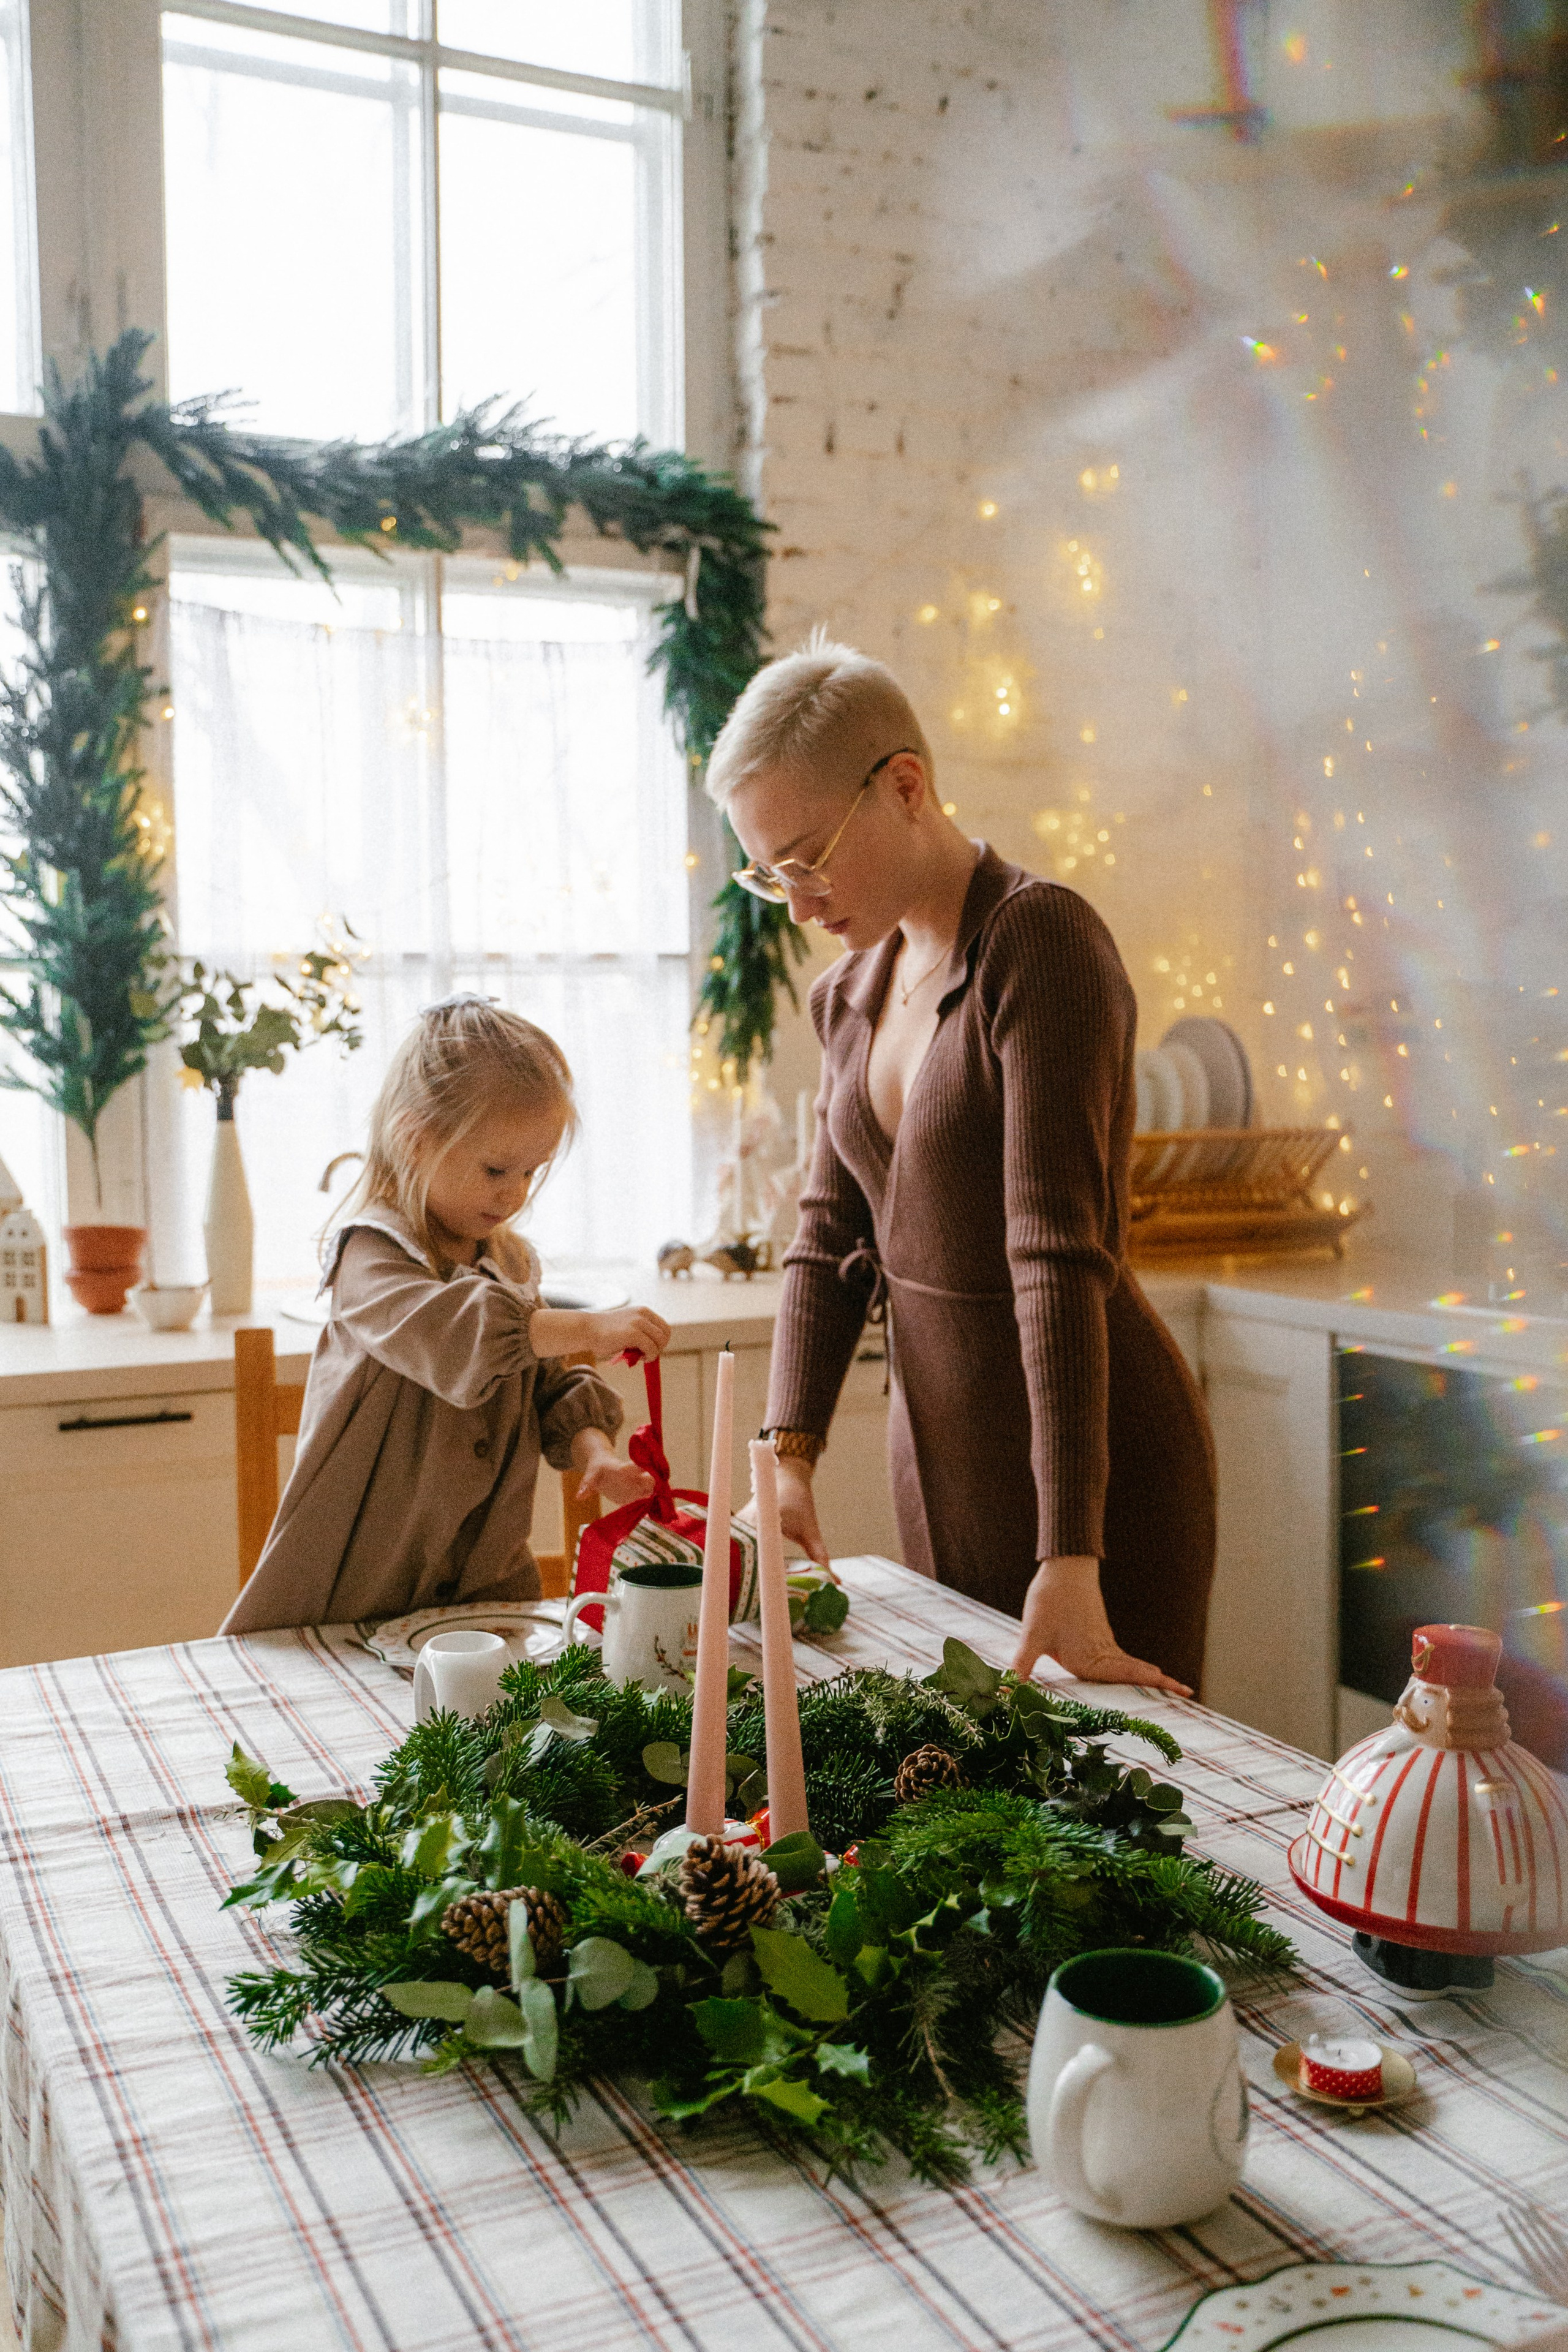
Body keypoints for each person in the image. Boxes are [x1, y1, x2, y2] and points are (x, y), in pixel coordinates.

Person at [709, 639, 1215, 1694]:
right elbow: (827, 1241)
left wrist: (1071, 1554)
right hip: (938, 1469)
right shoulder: (847, 996)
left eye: (808, 858)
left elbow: (1055, 1257)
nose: (798, 905)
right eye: (769, 875)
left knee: (1138, 1817)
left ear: (906, 786)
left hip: (1099, 1492)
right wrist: (786, 1456)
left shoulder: (1042, 945)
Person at [222, 998, 669, 1635]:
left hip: (484, 1592)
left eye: (530, 1172)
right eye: (495, 1169)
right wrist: (592, 1327)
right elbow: (456, 1334)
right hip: (354, 1597)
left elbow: (549, 1385)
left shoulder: (510, 1261)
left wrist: (593, 1449)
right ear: (415, 1138)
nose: (514, 1192)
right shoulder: (369, 1255)